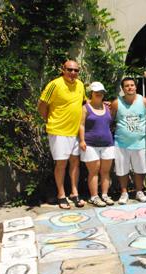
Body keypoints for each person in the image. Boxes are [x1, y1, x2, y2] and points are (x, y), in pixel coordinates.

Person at [38, 60, 86, 209]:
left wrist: (101, 103)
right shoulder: (55, 84)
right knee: (61, 164)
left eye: (76, 70)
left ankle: (74, 192)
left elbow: (82, 103)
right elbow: (41, 105)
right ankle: (61, 194)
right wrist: (49, 120)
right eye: (70, 70)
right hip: (58, 132)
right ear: (63, 69)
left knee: (75, 163)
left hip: (75, 132)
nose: (73, 73)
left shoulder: (80, 85)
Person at [111, 77, 146, 204]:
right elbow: (111, 120)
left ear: (136, 87)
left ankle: (139, 191)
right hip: (121, 143)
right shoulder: (116, 103)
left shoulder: (145, 102)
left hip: (139, 142)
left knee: (140, 169)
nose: (130, 87)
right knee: (122, 169)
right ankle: (124, 193)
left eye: (132, 85)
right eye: (127, 86)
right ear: (123, 89)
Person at [79, 82, 115, 207]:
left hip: (108, 143)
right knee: (93, 171)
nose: (99, 94)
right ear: (91, 93)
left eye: (101, 92)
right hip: (90, 144)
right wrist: (82, 140)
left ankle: (105, 195)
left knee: (105, 171)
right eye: (96, 92)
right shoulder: (85, 108)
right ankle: (94, 196)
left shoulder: (107, 107)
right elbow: (81, 125)